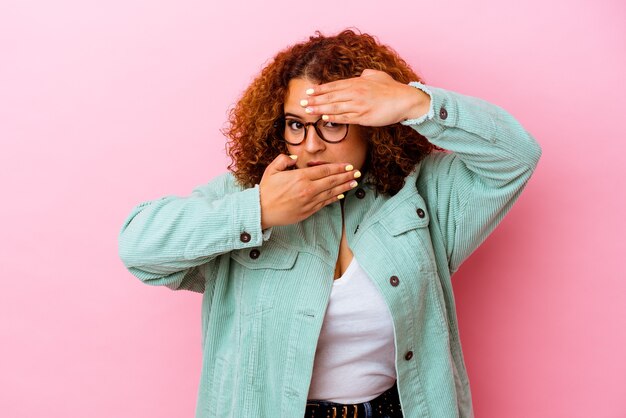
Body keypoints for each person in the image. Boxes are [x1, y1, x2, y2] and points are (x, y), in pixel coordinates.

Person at [118, 29, 541, 418]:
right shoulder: (250, 193)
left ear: (373, 124)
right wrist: (259, 210)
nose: (312, 145)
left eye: (333, 123)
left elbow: (517, 157)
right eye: (297, 125)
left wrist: (416, 103)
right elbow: (138, 247)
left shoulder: (423, 193)